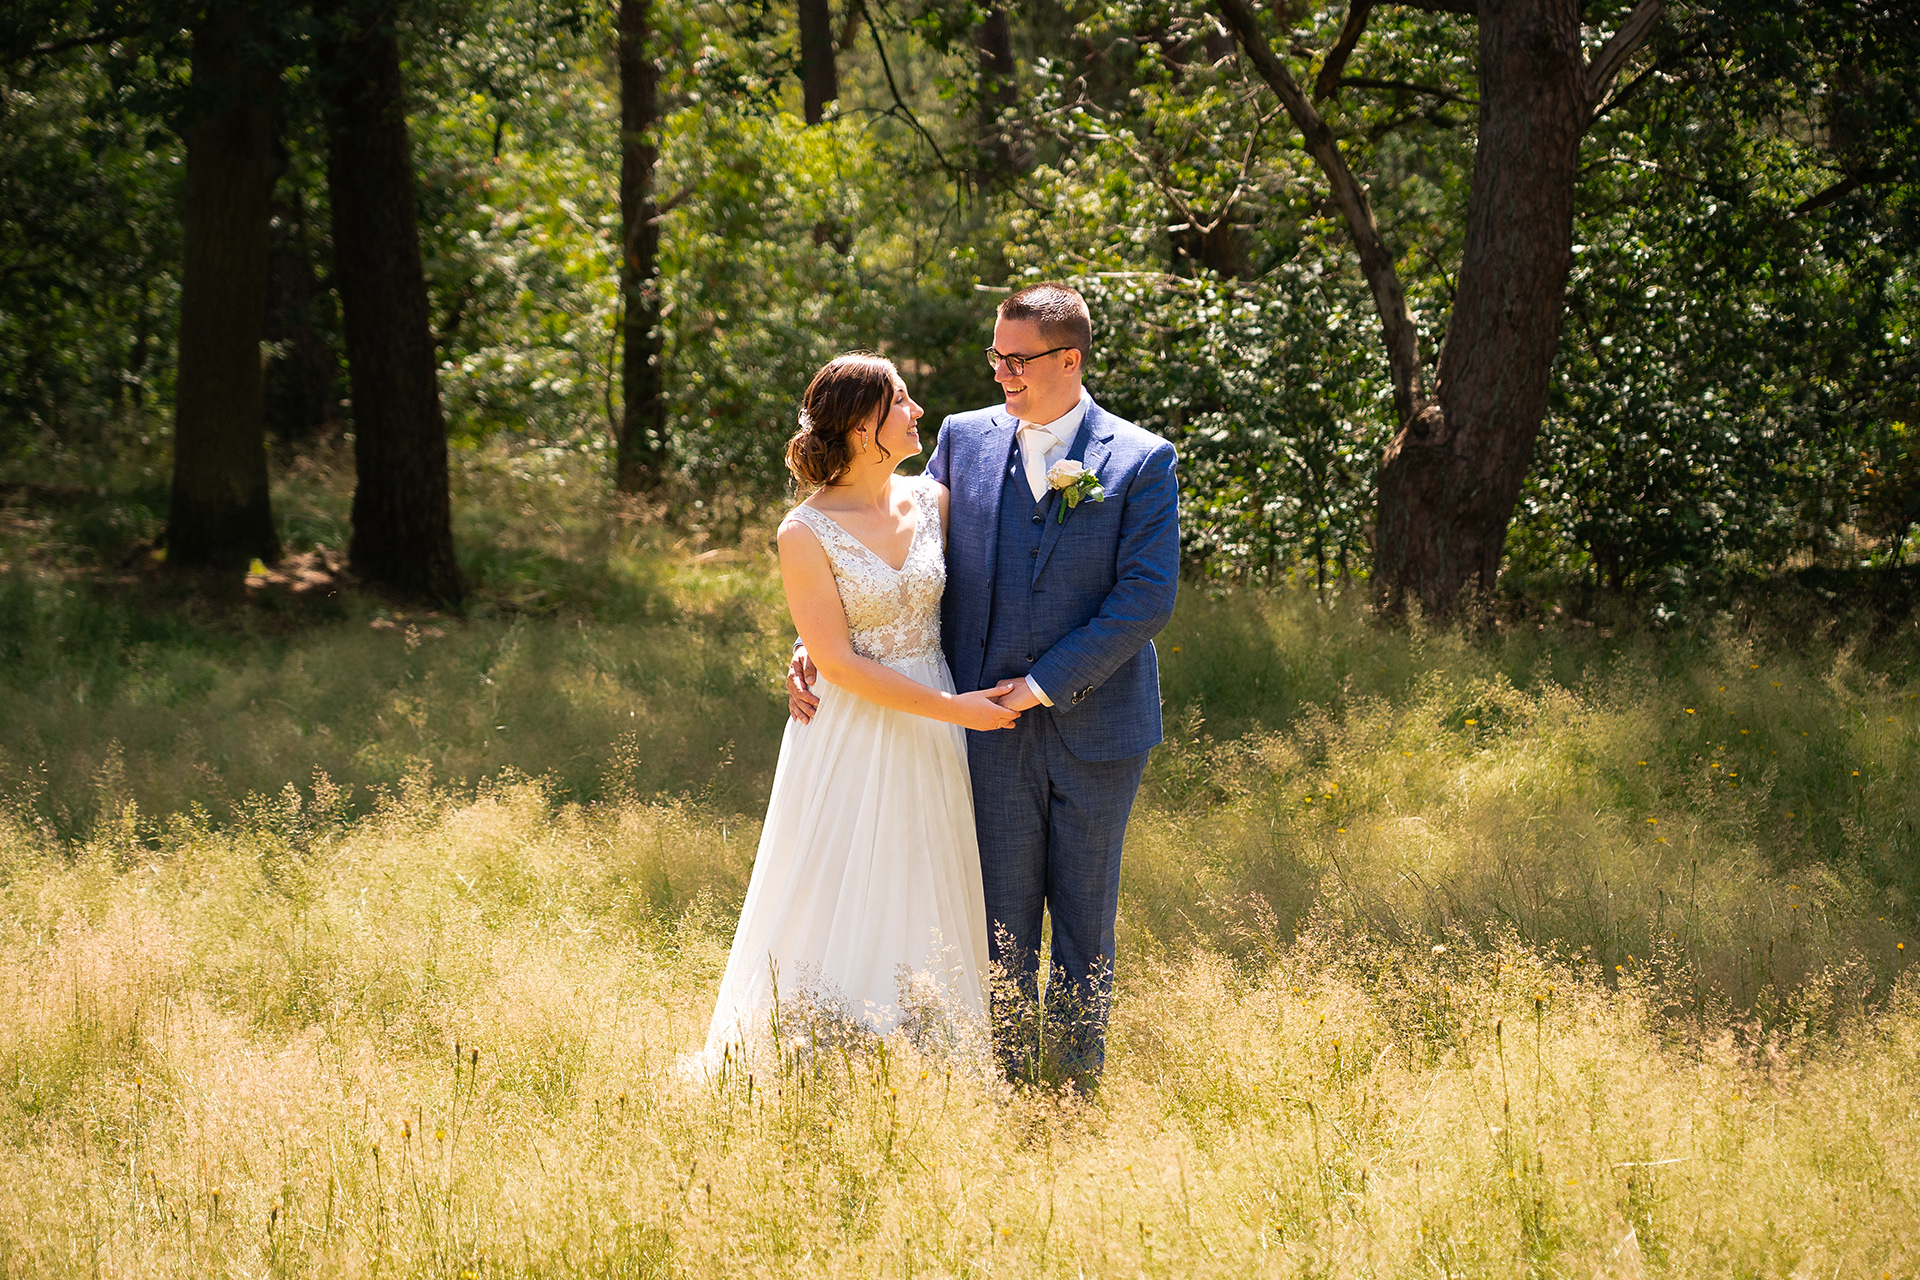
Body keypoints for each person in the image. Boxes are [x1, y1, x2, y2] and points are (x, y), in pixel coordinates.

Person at [790, 284, 1180, 1088]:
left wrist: (1040, 685)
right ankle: (1002, 1083)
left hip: (1098, 729)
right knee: (994, 921)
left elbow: (1146, 598)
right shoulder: (962, 441)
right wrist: (815, 641)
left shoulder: (1142, 459)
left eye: (1018, 359)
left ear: (1069, 360)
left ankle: (1073, 1088)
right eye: (994, 355)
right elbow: (894, 538)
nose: (1001, 372)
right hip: (975, 729)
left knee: (1083, 922)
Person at [693, 353, 1022, 1070]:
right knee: (834, 881)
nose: (918, 413)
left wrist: (947, 709)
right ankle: (818, 1050)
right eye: (902, 401)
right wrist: (950, 709)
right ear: (862, 425)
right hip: (851, 727)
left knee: (924, 870)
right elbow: (838, 659)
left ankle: (932, 1053)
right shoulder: (803, 531)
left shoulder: (933, 500)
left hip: (936, 719)